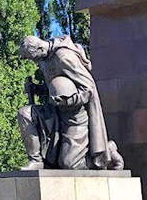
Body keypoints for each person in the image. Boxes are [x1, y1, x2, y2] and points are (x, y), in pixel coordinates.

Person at [17, 34, 124, 171]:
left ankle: (107, 150)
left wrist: (68, 100)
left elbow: (89, 88)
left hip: (74, 115)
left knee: (69, 165)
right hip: (55, 109)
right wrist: (37, 89)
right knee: (25, 113)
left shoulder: (64, 57)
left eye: (34, 58)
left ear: (39, 49)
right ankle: (36, 160)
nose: (35, 62)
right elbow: (55, 88)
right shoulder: (44, 60)